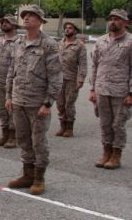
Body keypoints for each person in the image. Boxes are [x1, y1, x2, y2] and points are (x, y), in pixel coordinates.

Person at [5, 5, 62, 195]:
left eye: (31, 16)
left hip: (38, 104)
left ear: (40, 21)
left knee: (38, 141)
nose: (27, 18)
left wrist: (48, 102)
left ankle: (39, 178)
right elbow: (11, 72)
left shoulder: (49, 44)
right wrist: (8, 96)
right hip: (19, 100)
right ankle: (27, 174)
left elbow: (55, 76)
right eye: (25, 16)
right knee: (23, 139)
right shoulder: (18, 43)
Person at [90, 9, 132, 170]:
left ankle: (116, 154)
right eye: (111, 19)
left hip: (121, 91)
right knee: (105, 124)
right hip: (102, 89)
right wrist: (92, 89)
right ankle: (106, 152)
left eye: (117, 19)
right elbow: (95, 65)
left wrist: (131, 92)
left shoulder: (130, 42)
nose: (113, 22)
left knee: (118, 124)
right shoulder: (101, 41)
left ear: (126, 22)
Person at [0, 14, 19, 148]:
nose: (4, 24)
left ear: (14, 25)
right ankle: (4, 134)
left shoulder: (20, 42)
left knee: (12, 110)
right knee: (0, 109)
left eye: (7, 22)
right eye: (3, 22)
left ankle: (13, 136)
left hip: (13, 82)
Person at [55, 21, 87, 138]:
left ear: (75, 31)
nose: (67, 30)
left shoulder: (79, 46)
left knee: (69, 104)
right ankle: (62, 126)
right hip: (58, 79)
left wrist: (81, 79)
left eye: (70, 28)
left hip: (71, 79)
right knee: (60, 104)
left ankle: (69, 128)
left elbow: (83, 64)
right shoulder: (59, 44)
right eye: (66, 28)